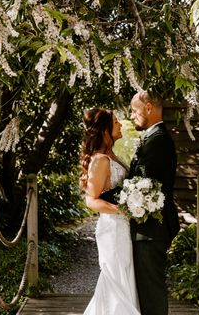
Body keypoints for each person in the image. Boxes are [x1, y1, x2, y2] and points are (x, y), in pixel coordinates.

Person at [79, 108, 141, 315]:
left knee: (123, 278)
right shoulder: (100, 160)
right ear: (105, 130)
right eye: (115, 122)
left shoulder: (111, 155)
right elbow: (91, 200)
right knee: (116, 279)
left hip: (122, 226)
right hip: (112, 228)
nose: (121, 124)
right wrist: (122, 210)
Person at [129, 90, 180, 315]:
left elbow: (141, 181)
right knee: (146, 292)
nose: (131, 116)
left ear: (148, 108)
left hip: (151, 229)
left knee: (152, 294)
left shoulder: (159, 141)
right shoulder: (153, 138)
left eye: (134, 110)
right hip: (146, 229)